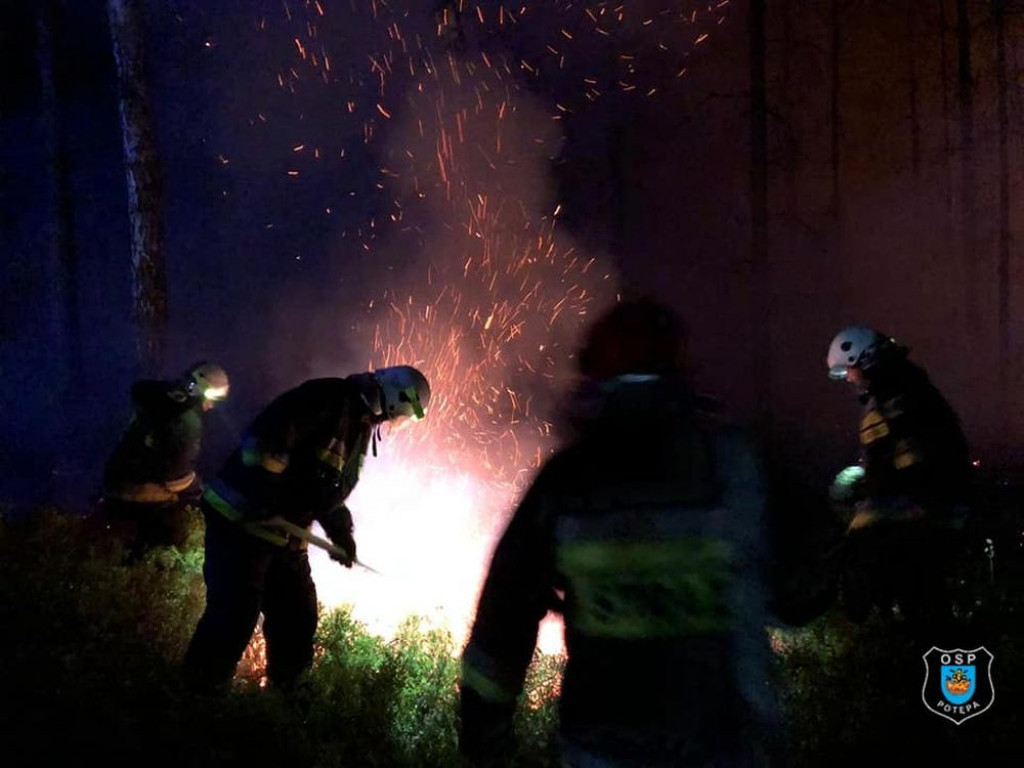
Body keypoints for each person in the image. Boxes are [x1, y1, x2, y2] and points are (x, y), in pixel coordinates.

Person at [459, 299, 779, 767]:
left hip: (602, 748)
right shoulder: (737, 462)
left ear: (594, 374)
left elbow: (501, 626)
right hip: (728, 745)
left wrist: (484, 740)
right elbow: (806, 583)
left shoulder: (567, 480)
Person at [182, 365, 430, 693]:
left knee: (297, 616)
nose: (395, 423)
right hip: (241, 521)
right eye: (401, 415)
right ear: (397, 399)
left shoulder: (357, 422)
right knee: (235, 613)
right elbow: (264, 446)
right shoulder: (326, 398)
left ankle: (286, 704)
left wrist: (340, 529)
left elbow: (323, 486)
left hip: (280, 533)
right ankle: (193, 697)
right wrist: (266, 497)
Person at [825, 326, 972, 634]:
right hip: (939, 506)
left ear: (862, 360)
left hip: (920, 514)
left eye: (847, 371)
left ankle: (885, 650)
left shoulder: (888, 400)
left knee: (869, 574)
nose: (849, 380)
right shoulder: (912, 386)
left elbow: (893, 472)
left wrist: (859, 500)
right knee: (929, 606)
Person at [100, 361, 229, 556]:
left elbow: (138, 388)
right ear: (196, 389)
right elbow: (175, 477)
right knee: (172, 542)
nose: (210, 406)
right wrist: (200, 492)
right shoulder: (188, 422)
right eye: (211, 398)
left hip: (115, 477)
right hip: (142, 492)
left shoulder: (158, 395)